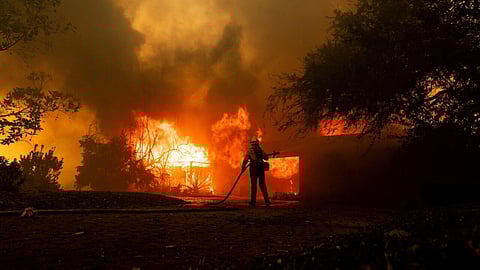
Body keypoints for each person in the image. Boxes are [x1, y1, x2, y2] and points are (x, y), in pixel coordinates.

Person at [242, 136, 271, 207]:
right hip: (260, 168)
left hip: (254, 168)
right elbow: (266, 158)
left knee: (254, 185)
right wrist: (266, 156)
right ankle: (267, 201)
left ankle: (253, 202)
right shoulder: (260, 150)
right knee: (262, 185)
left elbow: (246, 159)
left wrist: (243, 166)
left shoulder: (250, 150)